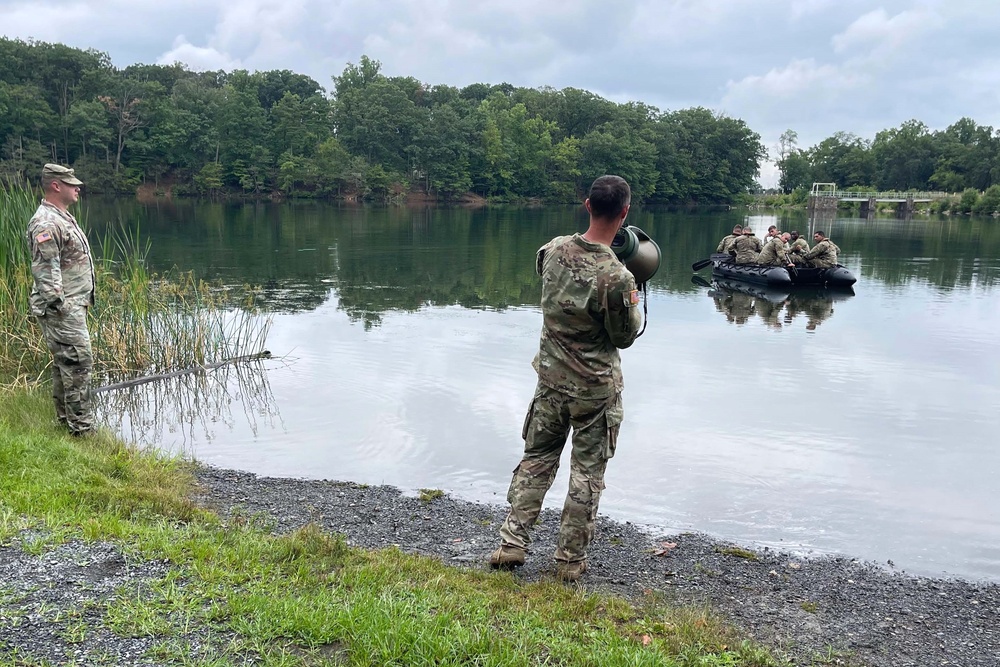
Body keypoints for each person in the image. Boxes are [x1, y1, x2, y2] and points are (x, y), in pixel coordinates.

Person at [489, 175, 643, 583]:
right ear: (624, 213)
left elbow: (544, 268)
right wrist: (634, 294)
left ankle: (511, 543)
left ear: (587, 205)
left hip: (551, 382)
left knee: (536, 458)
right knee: (586, 472)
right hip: (595, 392)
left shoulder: (554, 249)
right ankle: (569, 560)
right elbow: (624, 337)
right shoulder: (618, 278)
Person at [26, 163, 96, 436]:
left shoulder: (61, 216)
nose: (77, 187)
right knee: (79, 363)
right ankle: (82, 430)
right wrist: (60, 305)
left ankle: (66, 423)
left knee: (65, 364)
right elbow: (45, 269)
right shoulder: (46, 222)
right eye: (71, 183)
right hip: (62, 309)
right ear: (56, 185)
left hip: (73, 304)